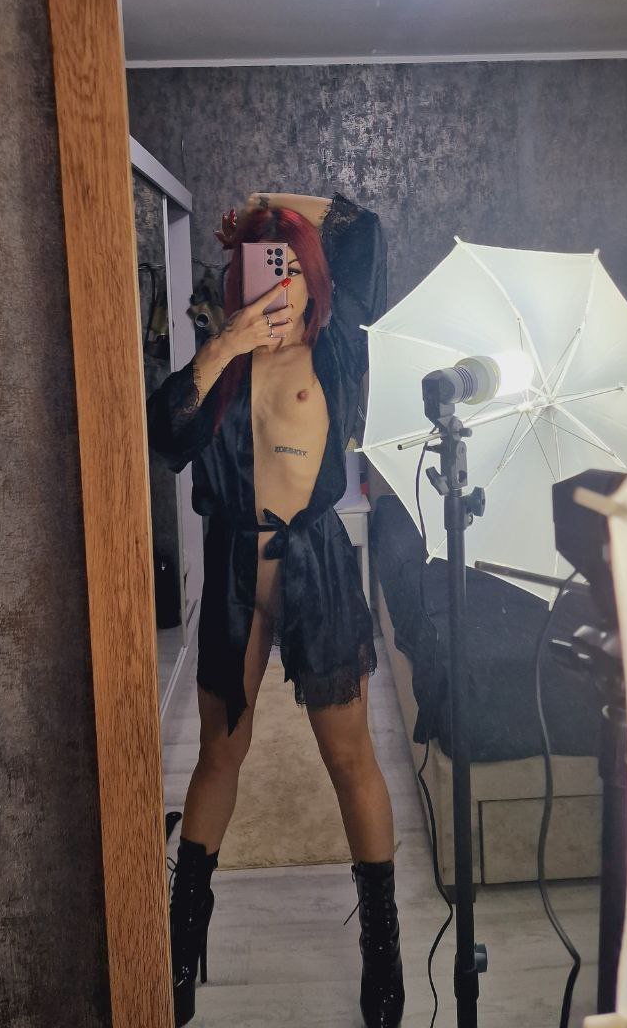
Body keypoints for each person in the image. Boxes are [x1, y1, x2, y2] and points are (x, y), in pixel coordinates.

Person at [147, 191, 405, 1028]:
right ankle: (183, 940)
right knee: (219, 756)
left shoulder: (337, 346)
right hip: (235, 571)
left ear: (313, 277)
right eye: (264, 268)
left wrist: (275, 209)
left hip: (317, 566)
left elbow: (366, 230)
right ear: (241, 280)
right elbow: (165, 437)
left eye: (291, 268)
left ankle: (383, 948)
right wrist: (226, 342)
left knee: (350, 757)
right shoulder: (221, 364)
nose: (278, 286)